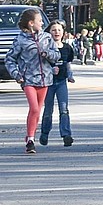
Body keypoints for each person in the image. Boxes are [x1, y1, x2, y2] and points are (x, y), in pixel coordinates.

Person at [4, 8, 60, 155]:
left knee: (37, 111)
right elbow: (9, 59)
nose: (42, 23)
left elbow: (57, 55)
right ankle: (30, 140)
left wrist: (47, 53)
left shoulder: (47, 38)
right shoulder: (20, 40)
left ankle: (31, 137)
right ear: (31, 23)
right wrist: (16, 74)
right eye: (39, 21)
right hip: (28, 78)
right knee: (34, 108)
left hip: (45, 79)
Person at [39, 21, 75, 147]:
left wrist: (70, 75)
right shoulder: (46, 48)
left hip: (61, 82)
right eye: (54, 30)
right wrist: (50, 70)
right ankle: (44, 133)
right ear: (49, 32)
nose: (57, 32)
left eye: (59, 30)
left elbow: (68, 63)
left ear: (63, 32)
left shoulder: (67, 48)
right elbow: (41, 65)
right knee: (48, 110)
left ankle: (66, 135)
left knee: (64, 109)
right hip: (49, 83)